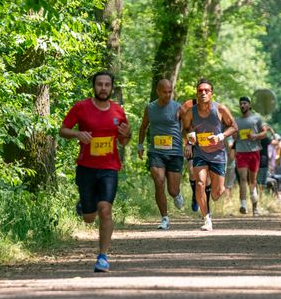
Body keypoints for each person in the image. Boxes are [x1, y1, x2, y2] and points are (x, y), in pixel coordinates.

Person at [59, 71, 131, 272]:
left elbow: (124, 140)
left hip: (109, 167)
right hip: (86, 168)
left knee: (105, 209)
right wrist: (77, 134)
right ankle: (84, 204)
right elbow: (63, 130)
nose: (103, 88)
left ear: (111, 88)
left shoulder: (118, 111)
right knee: (89, 218)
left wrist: (128, 135)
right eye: (99, 84)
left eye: (107, 85)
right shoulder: (81, 107)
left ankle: (102, 256)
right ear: (94, 86)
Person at [180, 78, 238, 231]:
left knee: (216, 194)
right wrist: (189, 143)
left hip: (218, 154)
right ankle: (207, 219)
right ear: (196, 93)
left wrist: (220, 137)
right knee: (199, 183)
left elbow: (234, 126)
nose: (203, 93)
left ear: (212, 93)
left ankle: (218, 188)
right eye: (200, 91)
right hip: (200, 153)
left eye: (206, 90)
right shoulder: (190, 112)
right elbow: (186, 129)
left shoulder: (220, 109)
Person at [136, 78, 186, 230]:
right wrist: (140, 145)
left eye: (170, 91)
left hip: (175, 153)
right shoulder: (150, 108)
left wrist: (189, 143)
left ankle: (177, 195)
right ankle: (164, 218)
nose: (168, 94)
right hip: (156, 152)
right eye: (164, 92)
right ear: (158, 91)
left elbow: (188, 127)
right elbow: (143, 127)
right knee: (159, 182)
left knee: (172, 189)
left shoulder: (178, 108)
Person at [232, 97, 269, 215]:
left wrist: (255, 136)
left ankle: (255, 206)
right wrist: (235, 136)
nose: (242, 105)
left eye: (245, 103)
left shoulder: (256, 119)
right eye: (241, 104)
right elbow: (234, 136)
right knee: (242, 178)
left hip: (254, 152)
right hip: (241, 152)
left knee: (252, 181)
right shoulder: (236, 121)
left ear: (249, 105)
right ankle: (243, 204)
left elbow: (264, 133)